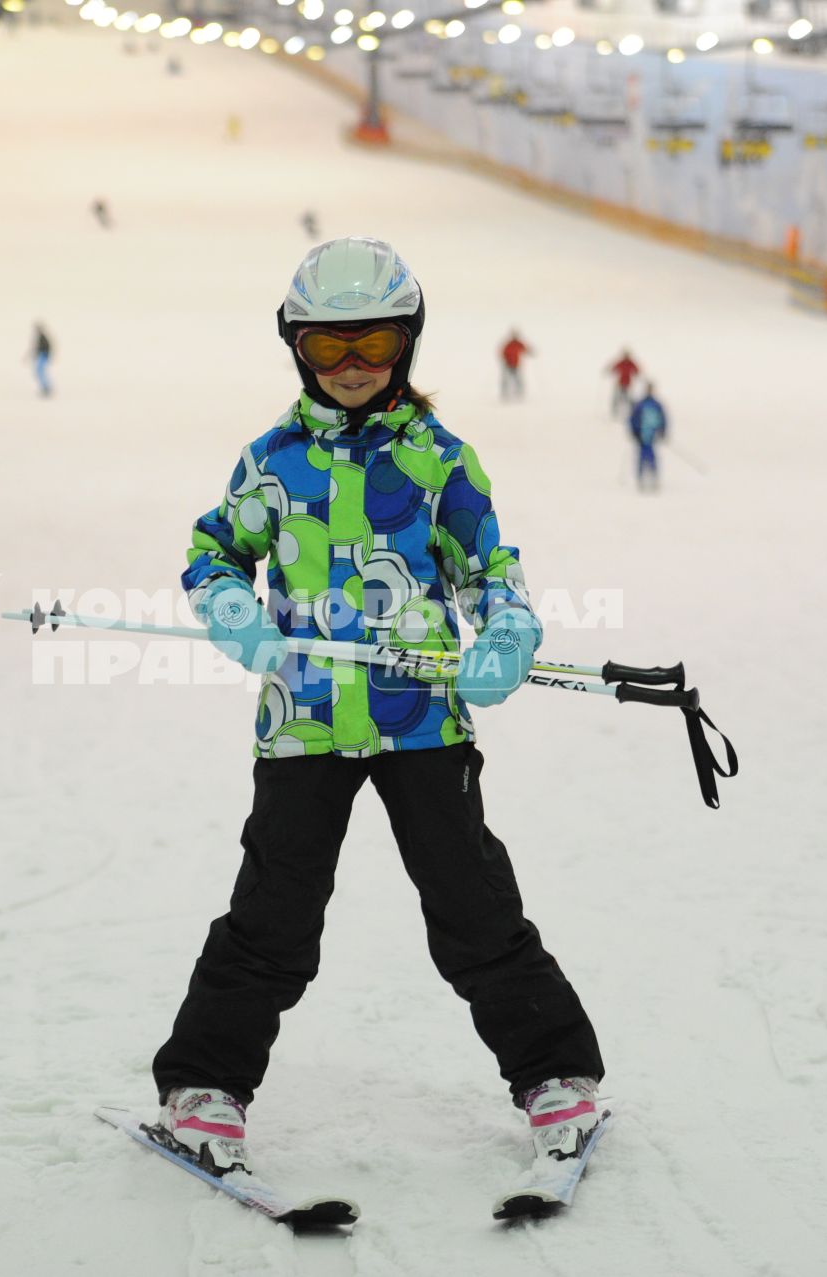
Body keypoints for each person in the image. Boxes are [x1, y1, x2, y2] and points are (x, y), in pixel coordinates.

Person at [150, 236, 605, 1186]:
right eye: (329, 348)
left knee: (472, 904)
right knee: (274, 913)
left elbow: (491, 571)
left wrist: (506, 636)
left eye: (375, 344)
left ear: (410, 341)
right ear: (295, 348)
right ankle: (205, 1086)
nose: (354, 367)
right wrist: (237, 613)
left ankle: (554, 1071)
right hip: (304, 722)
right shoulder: (272, 460)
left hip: (423, 720)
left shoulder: (440, 460)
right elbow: (215, 550)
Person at [629, 383, 667, 491]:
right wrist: (634, 432)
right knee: (641, 456)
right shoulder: (640, 404)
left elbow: (663, 418)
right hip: (641, 435)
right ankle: (640, 479)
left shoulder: (657, 405)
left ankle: (654, 478)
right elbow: (633, 418)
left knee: (652, 456)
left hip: (652, 435)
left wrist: (662, 431)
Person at [606, 348, 640, 420]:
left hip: (628, 384)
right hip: (620, 384)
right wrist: (608, 370)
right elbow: (613, 368)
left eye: (627, 355)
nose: (626, 357)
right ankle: (614, 412)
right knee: (617, 398)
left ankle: (632, 412)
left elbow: (637, 369)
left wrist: (637, 373)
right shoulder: (620, 362)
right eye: (625, 355)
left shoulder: (631, 363)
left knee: (629, 399)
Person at [500, 329, 531, 401]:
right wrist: (505, 360)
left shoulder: (519, 343)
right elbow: (503, 352)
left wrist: (530, 351)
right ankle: (505, 393)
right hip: (508, 364)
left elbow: (525, 349)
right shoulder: (508, 344)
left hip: (516, 364)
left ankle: (519, 392)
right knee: (506, 379)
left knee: (517, 379)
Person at [30, 324, 53, 398]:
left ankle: (46, 388)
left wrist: (45, 355)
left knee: (40, 371)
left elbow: (46, 347)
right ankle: (45, 387)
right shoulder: (41, 337)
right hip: (42, 355)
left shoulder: (42, 337)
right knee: (39, 371)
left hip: (43, 355)